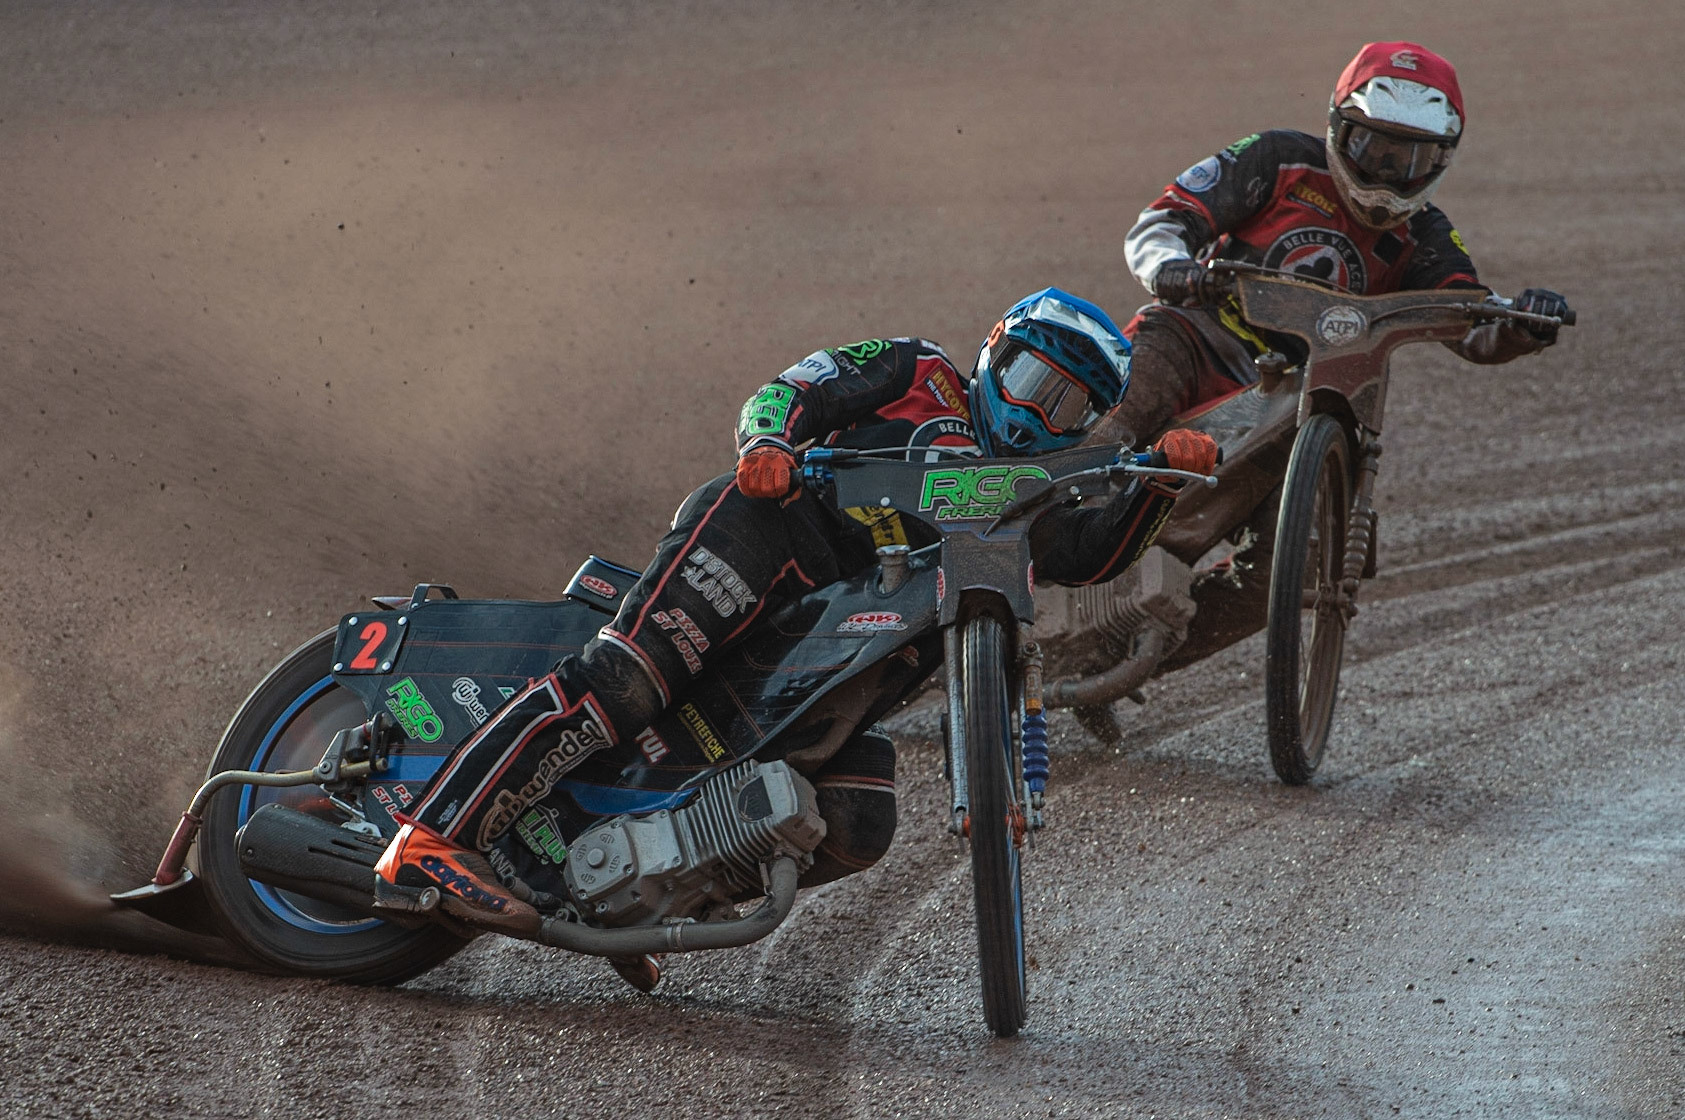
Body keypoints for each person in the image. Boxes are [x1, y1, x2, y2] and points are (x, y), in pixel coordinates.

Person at [372, 288, 1219, 952]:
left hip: (843, 648)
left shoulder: (1034, 492)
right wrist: (767, 443)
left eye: (1067, 411)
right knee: (627, 679)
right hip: (769, 537)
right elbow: (796, 387)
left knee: (858, 819)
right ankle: (427, 835)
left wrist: (1156, 485)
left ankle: (644, 900)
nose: (1038, 417)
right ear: (996, 354)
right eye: (1034, 384)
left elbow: (1085, 554)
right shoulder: (916, 369)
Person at [1101, 40, 1572, 447]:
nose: (1387, 173)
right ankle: (1059, 503)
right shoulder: (1277, 158)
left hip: (1299, 391)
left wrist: (1521, 325)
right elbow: (1166, 220)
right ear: (1338, 127)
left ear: (1442, 159)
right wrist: (1169, 266)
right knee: (1130, 401)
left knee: (1304, 522)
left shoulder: (1424, 236)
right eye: (1373, 149)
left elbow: (1466, 316)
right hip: (1199, 336)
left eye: (1411, 159)